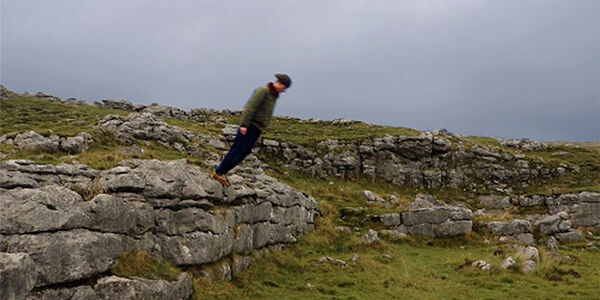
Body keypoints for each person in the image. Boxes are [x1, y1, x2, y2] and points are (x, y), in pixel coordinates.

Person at [211, 73, 291, 186]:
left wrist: (260, 131)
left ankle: (221, 172)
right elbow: (250, 108)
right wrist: (244, 125)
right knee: (237, 151)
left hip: (256, 129)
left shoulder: (272, 95)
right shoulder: (264, 91)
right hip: (250, 127)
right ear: (280, 83)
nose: (284, 90)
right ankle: (219, 172)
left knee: (242, 153)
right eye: (284, 87)